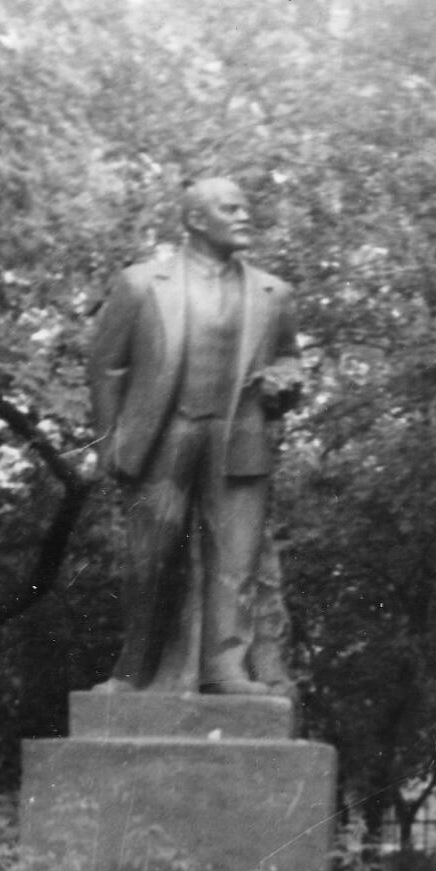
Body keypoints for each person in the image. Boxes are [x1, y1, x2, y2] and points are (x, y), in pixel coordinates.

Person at [88, 177, 302, 695]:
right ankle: (133, 671)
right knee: (150, 560)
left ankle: (226, 669)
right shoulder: (141, 284)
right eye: (231, 209)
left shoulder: (274, 293)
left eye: (245, 208)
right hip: (164, 437)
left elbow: (289, 359)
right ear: (196, 220)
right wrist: (110, 444)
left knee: (235, 562)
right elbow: (106, 367)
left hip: (239, 438)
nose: (245, 217)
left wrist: (285, 381)